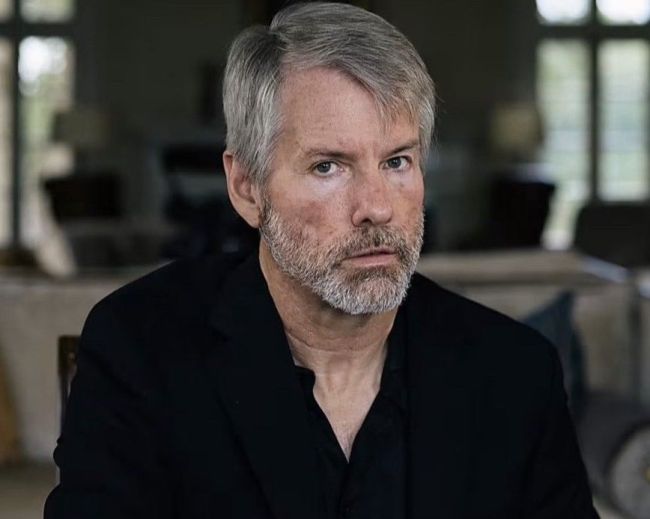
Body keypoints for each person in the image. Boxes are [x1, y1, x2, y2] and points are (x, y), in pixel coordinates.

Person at [45, 2, 600, 518]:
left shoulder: (516, 375)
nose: (377, 207)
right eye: (328, 167)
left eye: (397, 161)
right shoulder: (138, 350)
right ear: (246, 188)